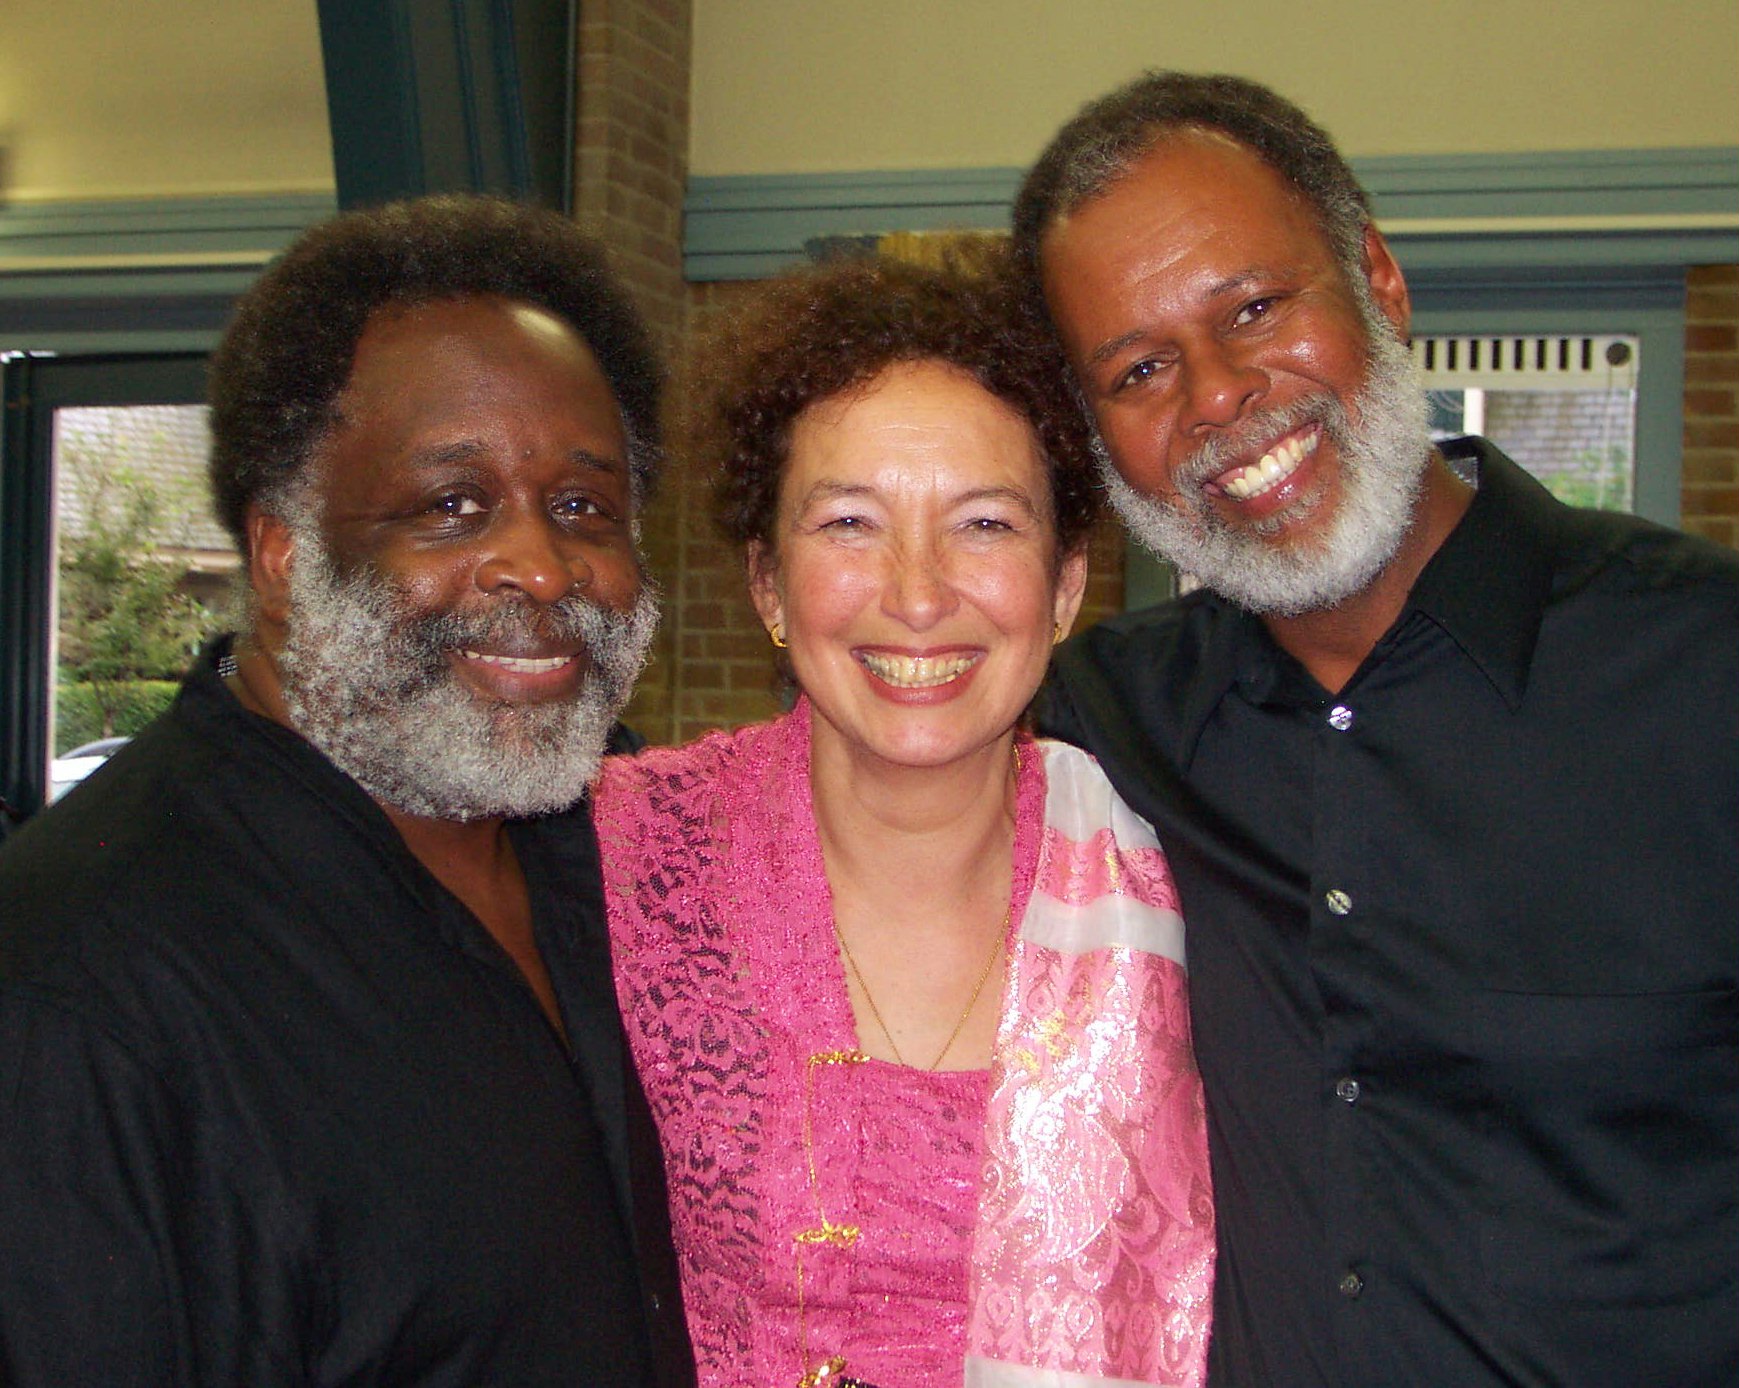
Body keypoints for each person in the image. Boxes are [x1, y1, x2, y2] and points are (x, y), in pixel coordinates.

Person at [1012, 71, 1739, 1387]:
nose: (1218, 396)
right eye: (1138, 369)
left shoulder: (1702, 672)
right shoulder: (1089, 726)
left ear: (1378, 283)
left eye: (1251, 308)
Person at [0, 195, 694, 1387]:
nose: (538, 562)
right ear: (281, 554)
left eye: (583, 505)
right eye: (449, 505)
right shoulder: (79, 982)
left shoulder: (639, 848)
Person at [593, 252, 1216, 1388]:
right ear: (768, 587)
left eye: (982, 524)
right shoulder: (622, 858)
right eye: (847, 523)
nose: (917, 593)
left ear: (1067, 583)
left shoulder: (1181, 887)